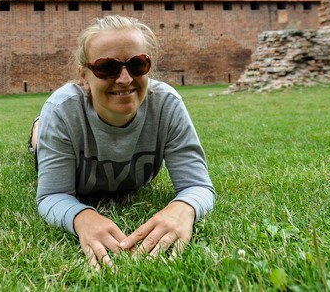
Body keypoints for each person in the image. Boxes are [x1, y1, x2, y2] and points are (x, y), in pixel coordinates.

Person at [29, 15, 214, 268]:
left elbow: (198, 186)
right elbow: (52, 194)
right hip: (57, 125)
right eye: (107, 67)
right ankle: (39, 128)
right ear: (84, 75)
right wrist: (81, 217)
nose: (125, 79)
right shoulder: (63, 109)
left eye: (137, 64)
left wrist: (184, 207)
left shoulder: (166, 104)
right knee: (40, 141)